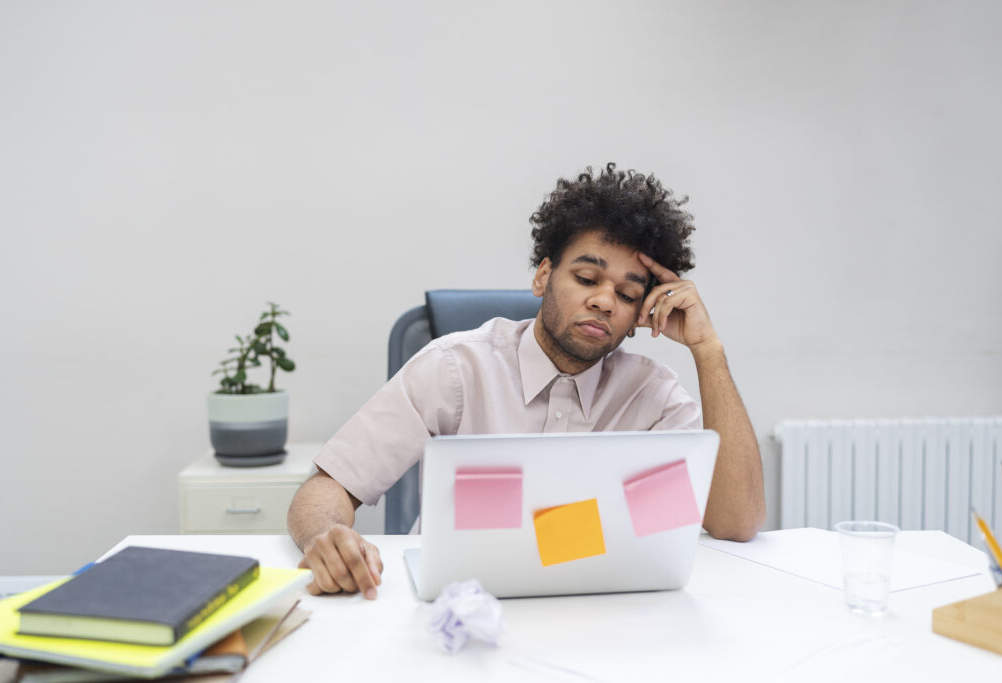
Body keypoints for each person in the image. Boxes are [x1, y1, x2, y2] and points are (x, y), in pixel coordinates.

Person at [287, 163, 766, 599]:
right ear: (543, 277)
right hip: (452, 610)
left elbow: (736, 523)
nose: (604, 301)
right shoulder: (455, 368)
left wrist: (709, 352)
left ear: (642, 313)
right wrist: (325, 536)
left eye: (625, 293)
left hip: (598, 610)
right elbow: (327, 488)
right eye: (586, 278)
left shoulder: (655, 397)